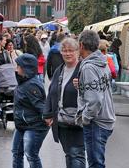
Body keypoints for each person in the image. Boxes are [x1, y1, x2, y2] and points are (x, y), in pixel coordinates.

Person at [75, 30, 116, 168]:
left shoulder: (89, 67)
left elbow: (95, 100)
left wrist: (85, 118)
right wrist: (80, 86)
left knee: (95, 164)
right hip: (106, 118)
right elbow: (101, 88)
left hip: (96, 123)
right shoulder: (102, 61)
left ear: (81, 45)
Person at [43, 38, 86, 168]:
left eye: (71, 51)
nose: (67, 54)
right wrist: (48, 114)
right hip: (62, 121)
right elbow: (51, 93)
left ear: (78, 52)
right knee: (69, 153)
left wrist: (83, 86)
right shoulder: (59, 70)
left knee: (76, 153)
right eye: (64, 51)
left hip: (79, 121)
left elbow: (94, 94)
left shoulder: (83, 70)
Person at [12, 53, 49, 168]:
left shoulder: (32, 84)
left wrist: (48, 117)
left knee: (31, 154)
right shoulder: (23, 82)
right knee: (16, 152)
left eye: (18, 66)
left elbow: (41, 105)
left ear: (25, 68)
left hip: (34, 126)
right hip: (22, 124)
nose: (16, 69)